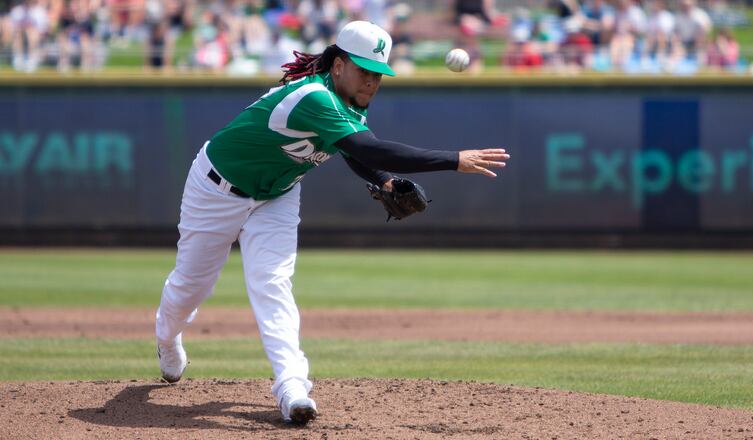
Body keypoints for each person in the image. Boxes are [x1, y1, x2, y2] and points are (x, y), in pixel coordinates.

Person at [154, 20, 509, 426]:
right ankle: (166, 336)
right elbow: (366, 146)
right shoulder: (313, 97)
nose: (372, 81)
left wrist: (383, 180)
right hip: (217, 189)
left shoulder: (346, 101)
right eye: (364, 71)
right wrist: (453, 160)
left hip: (278, 195)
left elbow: (353, 152)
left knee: (272, 284)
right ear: (338, 65)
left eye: (378, 74)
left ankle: (292, 387)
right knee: (191, 285)